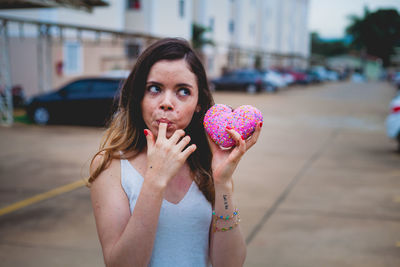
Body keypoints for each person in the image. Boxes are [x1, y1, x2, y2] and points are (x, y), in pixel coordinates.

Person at [89, 38, 262, 267]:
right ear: (138, 96)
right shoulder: (111, 165)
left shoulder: (205, 161)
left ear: (198, 101)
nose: (167, 103)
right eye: (154, 89)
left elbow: (230, 264)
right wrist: (154, 181)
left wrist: (223, 184)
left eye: (183, 91)